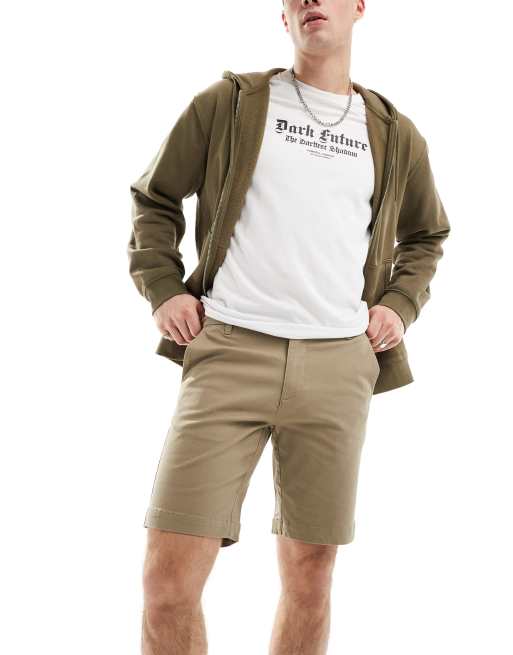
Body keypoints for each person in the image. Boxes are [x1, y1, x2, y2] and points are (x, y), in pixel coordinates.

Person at [127, 1, 450, 652]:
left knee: (310, 576)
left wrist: (398, 303)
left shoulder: (393, 132)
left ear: (358, 7)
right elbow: (155, 197)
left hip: (338, 367)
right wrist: (163, 286)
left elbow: (426, 234)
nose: (309, 0)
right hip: (228, 353)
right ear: (284, 16)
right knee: (168, 581)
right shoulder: (230, 104)